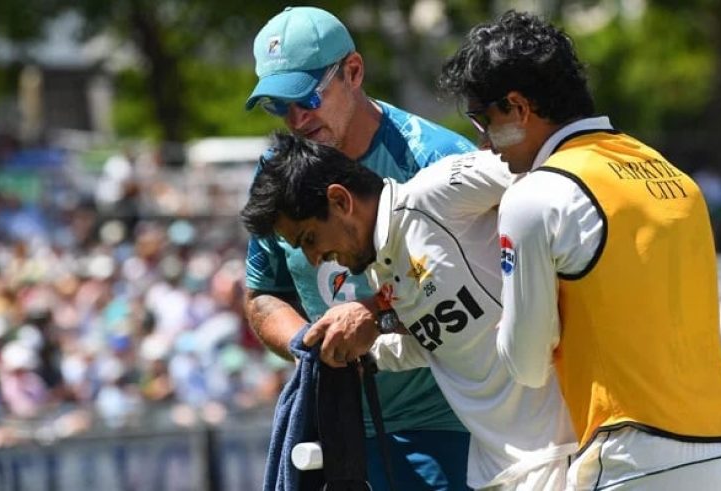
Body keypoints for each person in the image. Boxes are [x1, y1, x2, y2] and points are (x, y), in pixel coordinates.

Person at [437, 10, 721, 490]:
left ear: (518, 107)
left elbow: (524, 364)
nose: (482, 141)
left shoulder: (535, 195)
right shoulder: (676, 178)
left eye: (483, 119)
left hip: (635, 455)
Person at [241, 134, 577, 490]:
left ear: (340, 201)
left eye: (309, 238)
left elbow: (556, 177)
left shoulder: (437, 190)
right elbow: (437, 342)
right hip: (499, 468)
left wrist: (538, 279)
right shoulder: (378, 270)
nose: (313, 258)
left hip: (568, 450)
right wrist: (362, 355)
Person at [244, 6, 475, 490]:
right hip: (336, 425)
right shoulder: (277, 173)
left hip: (449, 424)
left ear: (353, 71)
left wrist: (375, 317)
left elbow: (491, 287)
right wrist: (306, 343)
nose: (296, 118)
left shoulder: (440, 162)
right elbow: (264, 295)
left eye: (305, 97)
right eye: (279, 106)